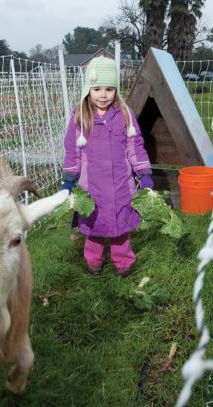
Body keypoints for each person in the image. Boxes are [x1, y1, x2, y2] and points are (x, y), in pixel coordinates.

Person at [61, 56, 153, 276]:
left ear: (116, 90)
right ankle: (94, 261)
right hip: (92, 188)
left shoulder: (125, 115)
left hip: (122, 185)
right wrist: (68, 180)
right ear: (88, 89)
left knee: (121, 227)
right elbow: (73, 152)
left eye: (109, 89)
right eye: (97, 89)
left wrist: (144, 174)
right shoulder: (80, 117)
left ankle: (123, 263)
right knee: (94, 228)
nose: (103, 95)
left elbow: (135, 147)